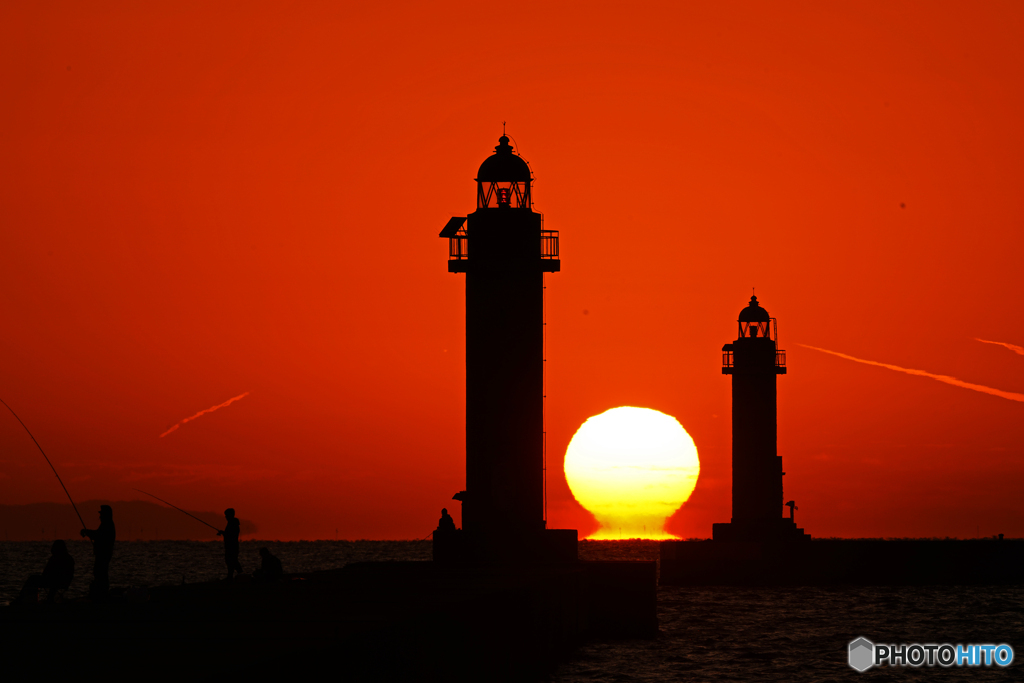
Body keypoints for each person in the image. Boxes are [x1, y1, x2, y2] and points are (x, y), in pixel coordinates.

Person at [14, 540, 75, 604]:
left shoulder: (55, 558)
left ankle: (22, 598)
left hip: (53, 581)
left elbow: (46, 572)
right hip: (64, 583)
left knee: (32, 579)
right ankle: (49, 599)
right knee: (52, 582)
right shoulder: (69, 558)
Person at [80, 505, 115, 599]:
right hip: (103, 554)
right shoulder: (107, 524)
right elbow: (97, 535)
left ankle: (101, 595)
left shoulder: (107, 524)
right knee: (100, 573)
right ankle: (101, 594)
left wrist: (86, 532)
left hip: (103, 554)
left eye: (102, 514)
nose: (100, 516)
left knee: (100, 573)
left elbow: (98, 535)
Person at [216, 508, 243, 580]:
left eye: (227, 515)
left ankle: (240, 574)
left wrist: (223, 533)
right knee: (230, 561)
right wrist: (223, 533)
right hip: (230, 546)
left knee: (232, 561)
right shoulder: (232, 523)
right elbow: (229, 534)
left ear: (230, 515)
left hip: (232, 546)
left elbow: (231, 534)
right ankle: (231, 576)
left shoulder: (233, 523)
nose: (226, 517)